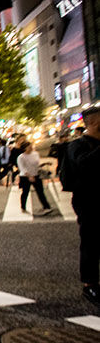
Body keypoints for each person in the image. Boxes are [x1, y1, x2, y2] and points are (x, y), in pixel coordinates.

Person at [60, 106, 100, 307]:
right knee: (91, 241)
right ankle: (90, 283)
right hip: (89, 200)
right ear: (92, 122)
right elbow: (83, 165)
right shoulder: (77, 145)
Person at [16, 141, 52, 215]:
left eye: (31, 146)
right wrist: (29, 176)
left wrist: (44, 164)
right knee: (25, 192)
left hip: (36, 175)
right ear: (24, 148)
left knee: (40, 192)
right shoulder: (21, 157)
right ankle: (23, 207)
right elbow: (22, 168)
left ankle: (46, 207)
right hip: (25, 177)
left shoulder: (35, 154)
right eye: (29, 147)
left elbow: (36, 164)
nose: (31, 148)